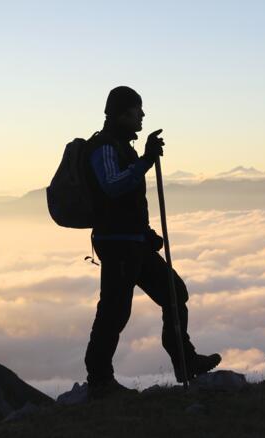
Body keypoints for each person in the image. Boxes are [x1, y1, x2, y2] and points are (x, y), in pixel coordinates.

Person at [83, 86, 221, 399]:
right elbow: (112, 186)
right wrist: (146, 159)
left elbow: (125, 197)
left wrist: (145, 234)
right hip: (116, 244)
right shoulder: (103, 147)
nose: (142, 115)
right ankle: (100, 380)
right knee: (114, 312)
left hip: (133, 242)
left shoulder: (120, 146)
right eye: (137, 110)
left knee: (175, 292)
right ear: (121, 113)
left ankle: (185, 361)